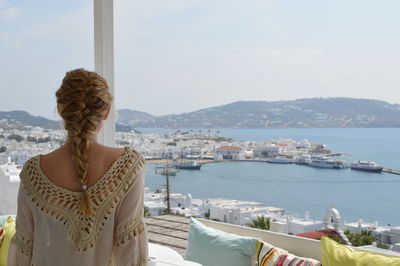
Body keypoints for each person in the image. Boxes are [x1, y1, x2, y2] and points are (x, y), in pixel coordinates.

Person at [7, 69, 148, 266]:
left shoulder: (33, 172)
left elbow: (24, 249)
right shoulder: (128, 166)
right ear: (106, 111)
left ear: (61, 109)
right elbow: (129, 250)